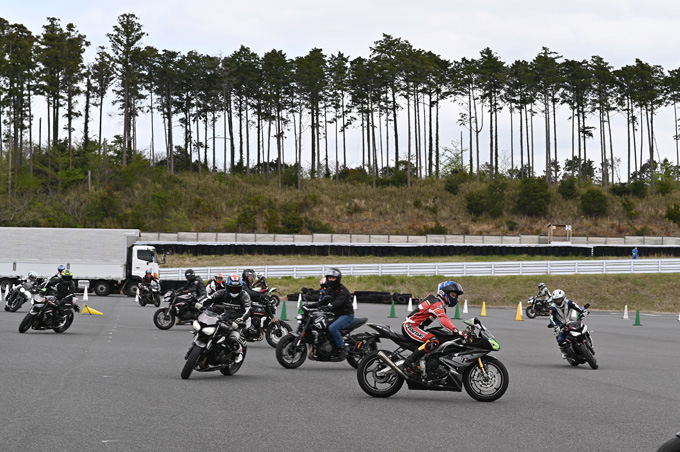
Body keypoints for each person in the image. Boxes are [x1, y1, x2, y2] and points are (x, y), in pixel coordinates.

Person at [399, 281, 466, 377]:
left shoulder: (437, 302)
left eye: (456, 296)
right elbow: (443, 319)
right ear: (444, 293)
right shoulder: (436, 304)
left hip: (416, 327)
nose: (454, 298)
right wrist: (455, 330)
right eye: (453, 295)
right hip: (410, 326)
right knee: (433, 341)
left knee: (439, 337)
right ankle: (409, 362)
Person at [306, 268, 353, 359]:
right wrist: (310, 306)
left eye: (333, 278)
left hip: (346, 315)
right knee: (321, 325)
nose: (331, 280)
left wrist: (330, 306)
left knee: (332, 328)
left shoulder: (343, 290)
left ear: (337, 278)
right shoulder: (330, 289)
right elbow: (324, 300)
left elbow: (339, 301)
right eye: (329, 278)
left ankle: (342, 348)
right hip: (335, 315)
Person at [205, 274, 252, 363]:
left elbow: (248, 309)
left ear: (241, 287)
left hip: (238, 321)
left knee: (233, 338)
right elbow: (208, 299)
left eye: (237, 288)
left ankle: (238, 352)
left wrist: (241, 320)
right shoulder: (221, 293)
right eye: (232, 288)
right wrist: (199, 305)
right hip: (223, 318)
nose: (234, 290)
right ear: (227, 286)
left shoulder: (244, 295)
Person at [547, 289, 588, 359]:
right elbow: (551, 319)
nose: (558, 301)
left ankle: (588, 340)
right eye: (556, 300)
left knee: (582, 328)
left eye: (559, 299)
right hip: (561, 326)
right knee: (560, 339)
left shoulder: (569, 302)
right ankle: (564, 352)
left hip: (571, 322)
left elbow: (577, 307)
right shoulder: (552, 308)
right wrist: (555, 326)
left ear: (563, 297)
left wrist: (583, 311)